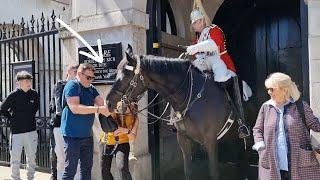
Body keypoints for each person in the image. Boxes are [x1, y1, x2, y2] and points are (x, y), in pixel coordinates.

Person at [186, 0, 249, 138]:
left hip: (222, 65)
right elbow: (199, 56)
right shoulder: (197, 38)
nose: (195, 25)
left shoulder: (215, 30)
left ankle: (241, 123)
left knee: (229, 83)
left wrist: (195, 48)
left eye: (196, 22)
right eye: (193, 23)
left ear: (203, 21)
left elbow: (213, 45)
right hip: (206, 65)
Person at [252, 72, 320, 180]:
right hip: (272, 164)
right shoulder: (266, 107)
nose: (269, 92)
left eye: (272, 89)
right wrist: (260, 146)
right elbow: (257, 129)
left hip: (299, 164)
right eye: (268, 89)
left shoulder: (300, 106)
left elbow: (316, 125)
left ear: (284, 89)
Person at [60, 63, 110, 180]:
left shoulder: (91, 88)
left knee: (87, 169)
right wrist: (99, 109)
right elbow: (75, 108)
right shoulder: (72, 86)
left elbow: (102, 103)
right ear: (79, 74)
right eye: (88, 77)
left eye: (92, 77)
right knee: (70, 170)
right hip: (72, 135)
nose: (90, 80)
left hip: (87, 135)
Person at [0, 71, 40, 180]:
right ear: (19, 83)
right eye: (26, 81)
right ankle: (15, 178)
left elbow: (36, 108)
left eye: (29, 80)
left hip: (31, 131)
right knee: (15, 159)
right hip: (17, 133)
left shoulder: (34, 94)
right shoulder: (13, 95)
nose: (29, 83)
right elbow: (2, 109)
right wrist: (12, 119)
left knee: (31, 158)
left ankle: (30, 177)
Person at [49, 64, 79, 180]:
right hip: (59, 123)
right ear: (68, 71)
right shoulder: (60, 84)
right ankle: (55, 175)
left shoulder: (77, 86)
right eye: (74, 71)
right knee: (57, 152)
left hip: (72, 125)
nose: (76, 73)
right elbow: (58, 105)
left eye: (78, 71)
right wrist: (62, 114)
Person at [99, 102, 139, 180]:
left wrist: (126, 131)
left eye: (131, 108)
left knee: (122, 167)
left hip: (122, 143)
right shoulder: (115, 108)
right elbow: (105, 114)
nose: (126, 109)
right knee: (104, 170)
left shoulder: (134, 118)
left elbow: (133, 137)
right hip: (106, 141)